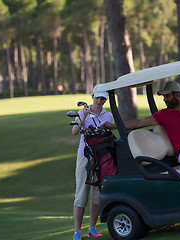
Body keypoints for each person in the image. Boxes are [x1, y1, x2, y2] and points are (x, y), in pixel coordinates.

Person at [71, 85, 114, 240]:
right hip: (85, 156)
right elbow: (75, 132)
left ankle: (92, 228)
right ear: (92, 96)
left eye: (103, 99)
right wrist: (83, 116)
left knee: (97, 195)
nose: (99, 101)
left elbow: (110, 135)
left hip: (101, 156)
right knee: (81, 194)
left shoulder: (108, 115)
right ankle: (77, 231)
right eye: (97, 98)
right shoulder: (83, 112)